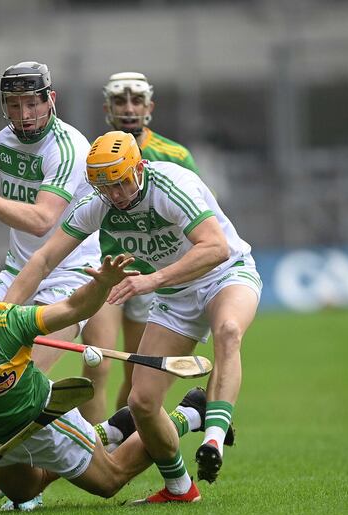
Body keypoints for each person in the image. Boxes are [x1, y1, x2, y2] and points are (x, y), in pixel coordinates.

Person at [5, 131, 261, 500]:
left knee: (229, 330)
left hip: (226, 275)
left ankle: (214, 439)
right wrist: (8, 314)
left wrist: (152, 279)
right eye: (106, 187)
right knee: (141, 403)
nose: (117, 195)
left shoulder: (170, 185)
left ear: (139, 169)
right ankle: (180, 488)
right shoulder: (97, 203)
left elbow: (216, 248)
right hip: (175, 297)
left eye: (122, 183)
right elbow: (43, 259)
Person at [0, 257, 217, 508]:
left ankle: (185, 416)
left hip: (46, 419)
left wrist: (102, 285)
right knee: (24, 494)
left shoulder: (7, 321)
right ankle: (111, 430)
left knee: (110, 483)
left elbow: (72, 308)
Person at [0, 61, 114, 425]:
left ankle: (81, 449)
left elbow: (41, 221)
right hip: (19, 271)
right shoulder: (2, 142)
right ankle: (12, 463)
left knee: (18, 376)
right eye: (14, 105)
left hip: (69, 275)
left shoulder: (68, 148)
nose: (24, 114)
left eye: (32, 103)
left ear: (50, 100)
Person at [99, 71, 200, 410]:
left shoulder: (175, 155)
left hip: (153, 276)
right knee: (99, 363)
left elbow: (201, 217)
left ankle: (117, 437)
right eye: (119, 101)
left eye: (136, 100)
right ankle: (89, 453)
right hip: (107, 269)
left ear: (149, 107)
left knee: (135, 371)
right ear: (107, 109)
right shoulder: (95, 155)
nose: (128, 108)